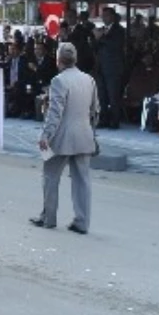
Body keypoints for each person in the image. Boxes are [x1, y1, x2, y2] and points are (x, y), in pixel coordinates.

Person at [32, 42, 99, 234]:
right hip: (84, 135)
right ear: (75, 59)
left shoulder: (58, 81)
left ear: (58, 60)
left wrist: (46, 135)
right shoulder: (89, 80)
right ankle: (82, 222)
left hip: (62, 137)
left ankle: (49, 217)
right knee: (82, 181)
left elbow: (55, 113)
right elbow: (95, 110)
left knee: (50, 176)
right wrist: (91, 130)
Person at [95, 7, 126, 128]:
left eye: (106, 16)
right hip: (101, 66)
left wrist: (101, 38)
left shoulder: (119, 30)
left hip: (114, 68)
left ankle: (115, 121)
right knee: (102, 96)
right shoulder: (102, 30)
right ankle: (104, 119)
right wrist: (97, 38)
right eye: (103, 16)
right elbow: (96, 46)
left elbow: (116, 45)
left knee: (113, 96)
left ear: (112, 16)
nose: (104, 18)